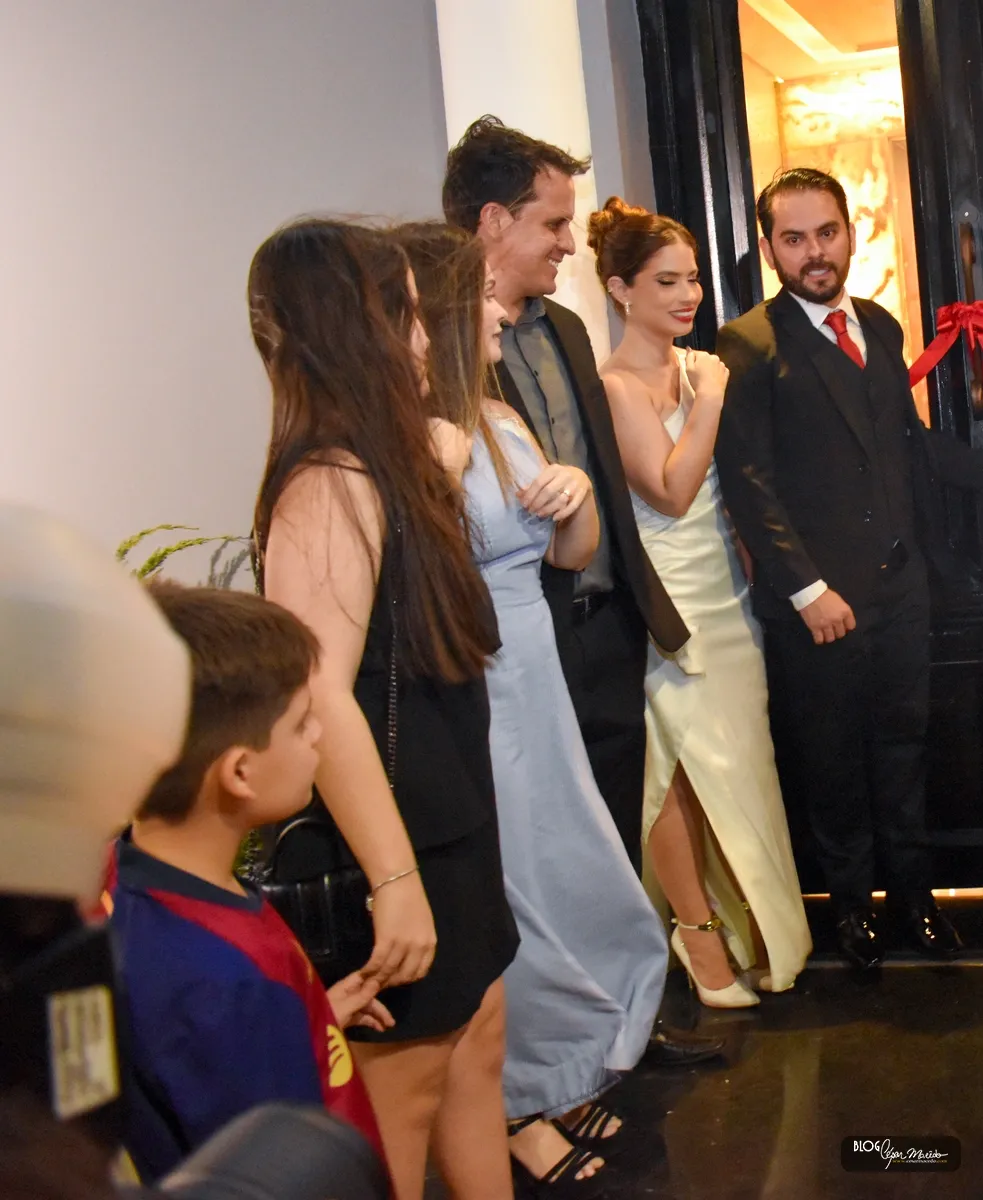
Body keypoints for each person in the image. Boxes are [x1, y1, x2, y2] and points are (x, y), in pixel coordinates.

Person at [442, 116, 722, 1068]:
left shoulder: (564, 328)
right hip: (518, 642)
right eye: (554, 223)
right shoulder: (438, 348)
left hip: (606, 621)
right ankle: (556, 1055)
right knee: (538, 854)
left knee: (610, 835)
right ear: (492, 221)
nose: (570, 242)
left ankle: (627, 1027)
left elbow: (598, 473)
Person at [396, 223, 669, 1196]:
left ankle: (552, 1079)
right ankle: (511, 1106)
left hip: (536, 672)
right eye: (482, 304)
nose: (500, 322)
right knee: (508, 896)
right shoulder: (406, 440)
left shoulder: (500, 417)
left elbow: (567, 553)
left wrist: (578, 492)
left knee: (568, 876)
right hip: (471, 684)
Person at [252, 219, 517, 1200]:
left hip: (449, 821)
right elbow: (319, 690)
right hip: (400, 840)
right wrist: (394, 878)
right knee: (397, 1113)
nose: (421, 337)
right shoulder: (328, 481)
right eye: (403, 314)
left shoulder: (376, 468)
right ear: (358, 328)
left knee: (476, 1051)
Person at [714, 167, 983, 969]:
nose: (814, 252)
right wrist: (807, 590)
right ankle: (851, 915)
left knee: (905, 750)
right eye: (794, 239)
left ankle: (915, 903)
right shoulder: (748, 344)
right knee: (833, 765)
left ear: (850, 234)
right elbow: (748, 485)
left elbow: (907, 446)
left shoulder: (879, 326)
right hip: (817, 605)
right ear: (770, 250)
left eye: (826, 233)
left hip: (900, 589)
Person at [588, 198, 811, 1004]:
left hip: (728, 593)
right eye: (666, 281)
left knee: (742, 769)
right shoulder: (615, 385)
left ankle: (756, 929)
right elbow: (671, 490)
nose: (687, 296)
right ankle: (697, 932)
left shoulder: (695, 365)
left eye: (692, 280)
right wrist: (710, 396)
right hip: (668, 604)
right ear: (620, 289)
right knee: (675, 773)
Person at [107, 584, 390, 1185]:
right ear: (239, 771)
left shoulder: (124, 882)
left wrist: (307, 1022)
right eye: (301, 723)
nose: (318, 736)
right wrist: (265, 1016)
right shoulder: (225, 982)